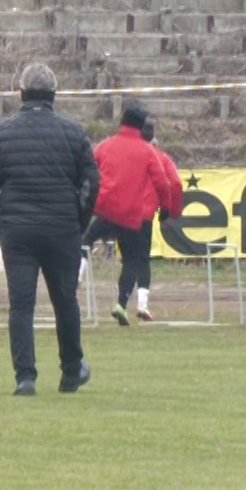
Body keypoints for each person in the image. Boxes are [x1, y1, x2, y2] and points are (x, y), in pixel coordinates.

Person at [0, 64, 99, 396]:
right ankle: (71, 370)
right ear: (53, 96)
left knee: (21, 304)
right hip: (62, 228)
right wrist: (79, 220)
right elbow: (91, 183)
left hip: (17, 230)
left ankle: (25, 376)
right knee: (65, 301)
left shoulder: (1, 134)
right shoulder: (74, 133)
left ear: (21, 94)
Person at [87, 106, 176, 326]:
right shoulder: (152, 153)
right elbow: (167, 183)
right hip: (133, 216)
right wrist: (167, 210)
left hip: (106, 209)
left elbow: (88, 168)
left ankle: (76, 277)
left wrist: (87, 199)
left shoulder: (107, 145)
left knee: (84, 241)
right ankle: (125, 303)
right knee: (134, 260)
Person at [137, 118, 185, 321]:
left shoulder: (128, 155)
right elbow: (176, 184)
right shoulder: (161, 158)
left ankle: (78, 275)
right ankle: (141, 303)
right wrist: (173, 212)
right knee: (141, 260)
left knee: (126, 259)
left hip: (119, 212)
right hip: (145, 216)